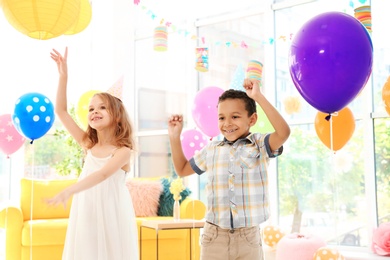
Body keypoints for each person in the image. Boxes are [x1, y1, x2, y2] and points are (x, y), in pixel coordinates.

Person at [168, 78, 290, 260]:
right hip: (214, 236)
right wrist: (174, 137)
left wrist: (258, 96)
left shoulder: (259, 144)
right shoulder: (212, 149)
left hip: (248, 238)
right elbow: (183, 169)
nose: (227, 123)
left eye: (235, 116)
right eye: (221, 118)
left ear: (252, 119)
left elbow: (283, 132)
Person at [46, 47, 139, 260]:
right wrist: (63, 76)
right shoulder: (89, 143)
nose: (95, 111)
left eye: (102, 107)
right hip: (87, 208)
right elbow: (60, 111)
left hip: (111, 212)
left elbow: (102, 175)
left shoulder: (123, 151)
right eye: (91, 109)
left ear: (117, 117)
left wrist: (70, 190)